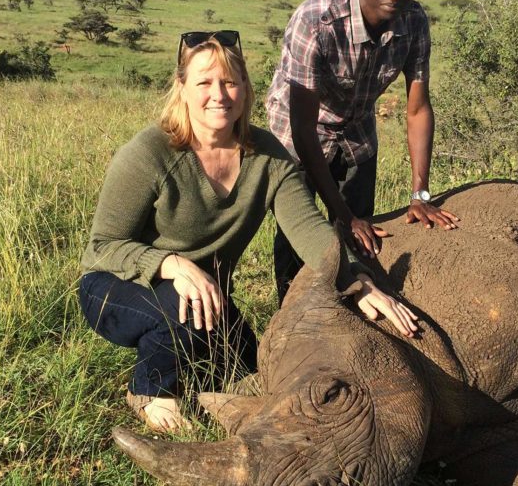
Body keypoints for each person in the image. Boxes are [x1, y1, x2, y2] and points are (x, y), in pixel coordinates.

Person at [78, 31, 417, 434]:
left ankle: (193, 371)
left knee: (250, 370)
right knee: (183, 315)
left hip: (208, 294)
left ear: (245, 91)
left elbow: (307, 227)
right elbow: (103, 247)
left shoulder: (268, 156)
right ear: (182, 88)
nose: (218, 94)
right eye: (204, 82)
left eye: (229, 82)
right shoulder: (149, 153)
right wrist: (170, 264)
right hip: (116, 286)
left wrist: (356, 279)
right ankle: (150, 390)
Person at [267, 0, 460, 303]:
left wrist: (419, 193)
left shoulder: (415, 22)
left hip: (356, 127)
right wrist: (342, 214)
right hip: (299, 130)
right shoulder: (316, 20)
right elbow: (304, 128)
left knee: (362, 237)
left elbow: (418, 108)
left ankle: (355, 312)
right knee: (299, 235)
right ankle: (289, 316)